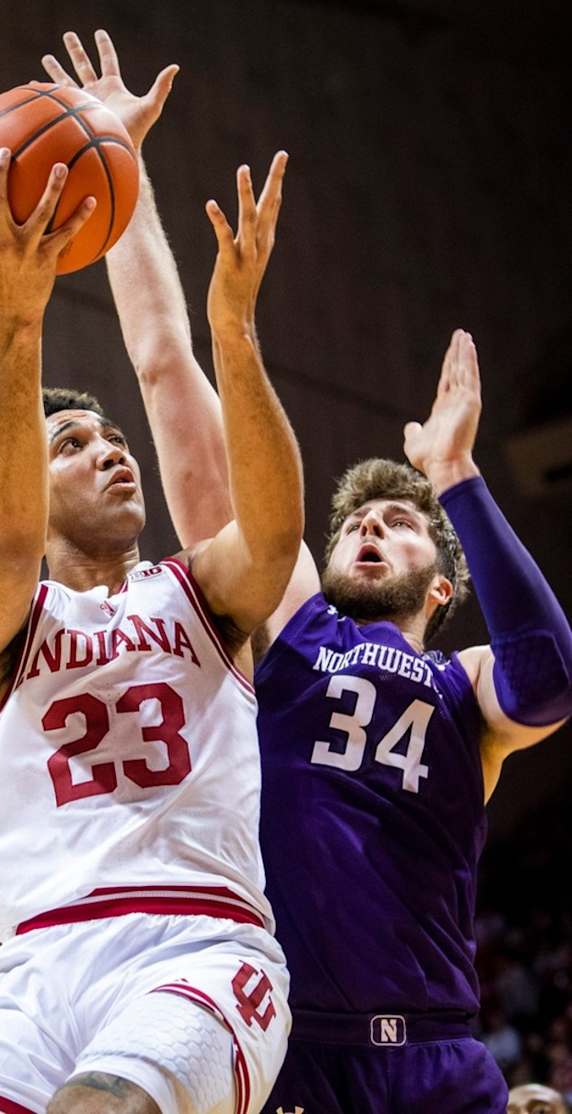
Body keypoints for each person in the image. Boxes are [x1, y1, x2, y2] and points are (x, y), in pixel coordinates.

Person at [113, 140, 572, 1114]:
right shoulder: (288, 624)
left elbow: (551, 679)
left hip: (439, 1057)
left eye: (396, 521)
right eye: (354, 519)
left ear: (440, 589)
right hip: (298, 1050)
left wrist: (454, 478)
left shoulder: (468, 688)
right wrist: (123, 174)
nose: (367, 523)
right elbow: (170, 385)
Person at [0, 31, 304, 1114]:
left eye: (111, 436)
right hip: (36, 972)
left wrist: (233, 329)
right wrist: (15, 311)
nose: (110, 448)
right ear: (30, 489)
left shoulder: (199, 592)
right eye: (74, 444)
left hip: (197, 947)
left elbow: (274, 536)